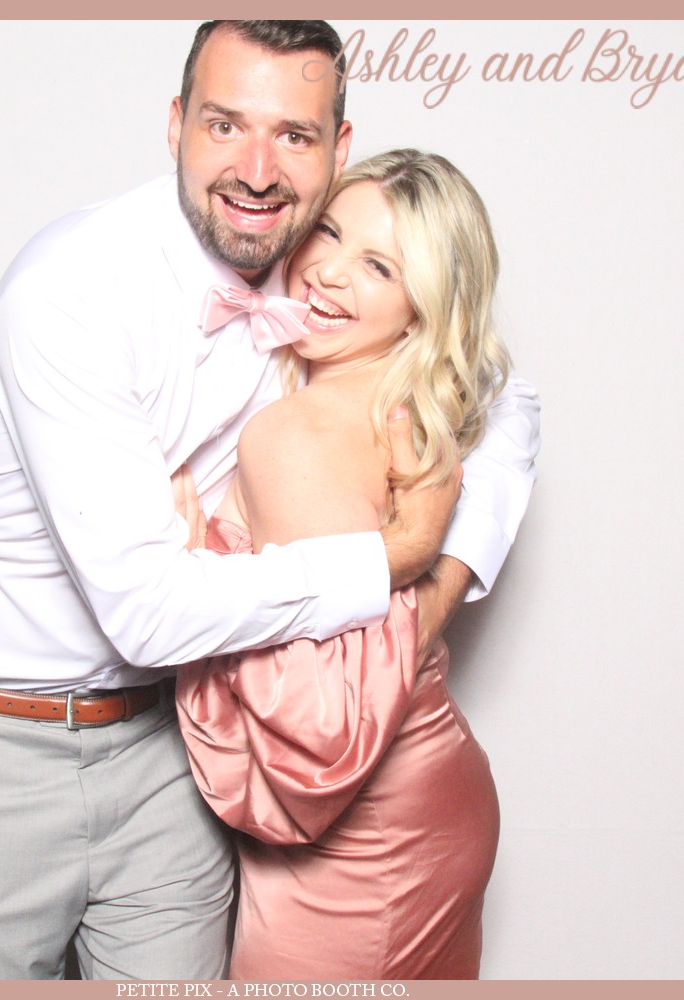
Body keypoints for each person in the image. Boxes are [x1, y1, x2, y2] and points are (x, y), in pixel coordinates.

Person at [0, 21, 539, 981]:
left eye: (294, 136)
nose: (257, 171)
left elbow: (502, 391)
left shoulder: (307, 283)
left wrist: (444, 570)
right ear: (177, 122)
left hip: (170, 759)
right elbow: (146, 610)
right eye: (226, 125)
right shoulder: (75, 291)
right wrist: (388, 562)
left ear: (336, 149)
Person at [176, 149, 506, 980]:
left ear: (423, 309)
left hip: (362, 849)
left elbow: (320, 732)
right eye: (327, 232)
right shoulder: (378, 400)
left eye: (379, 266)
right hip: (428, 803)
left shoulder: (300, 430)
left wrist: (197, 572)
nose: (327, 271)